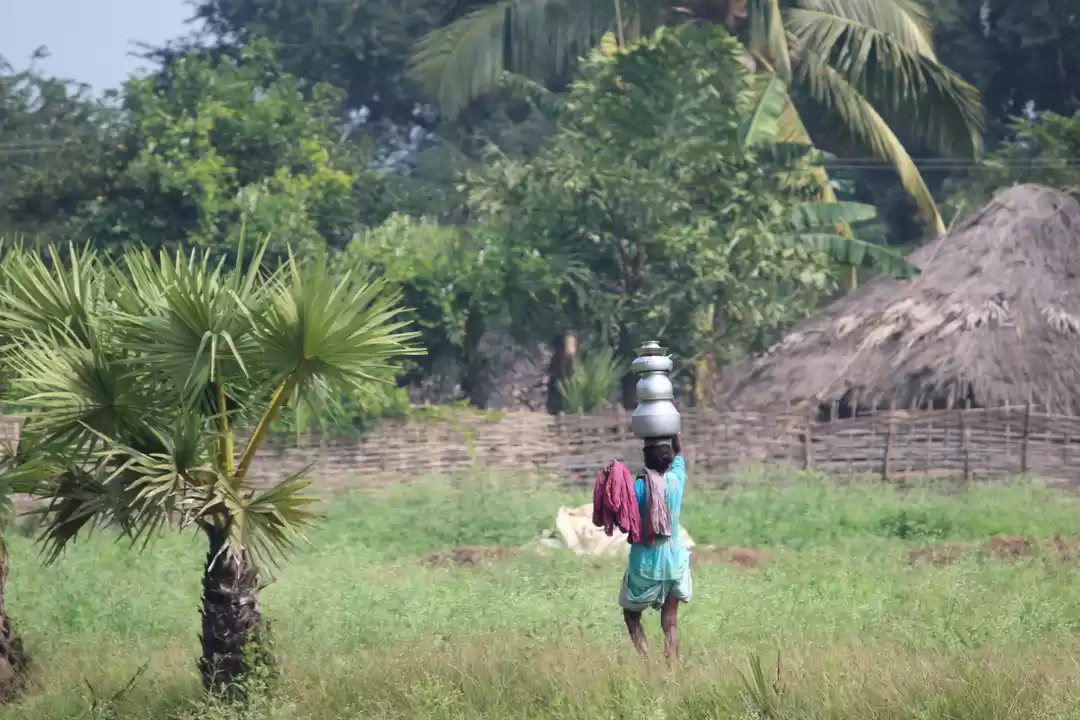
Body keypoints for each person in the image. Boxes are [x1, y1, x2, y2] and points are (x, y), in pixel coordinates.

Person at [619, 433, 690, 663]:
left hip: (645, 563)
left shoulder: (639, 486)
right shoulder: (677, 480)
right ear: (669, 463)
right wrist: (675, 437)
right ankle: (673, 668)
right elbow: (679, 454)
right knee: (670, 620)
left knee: (631, 615)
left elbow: (625, 516)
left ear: (646, 460)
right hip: (673, 561)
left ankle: (647, 662)